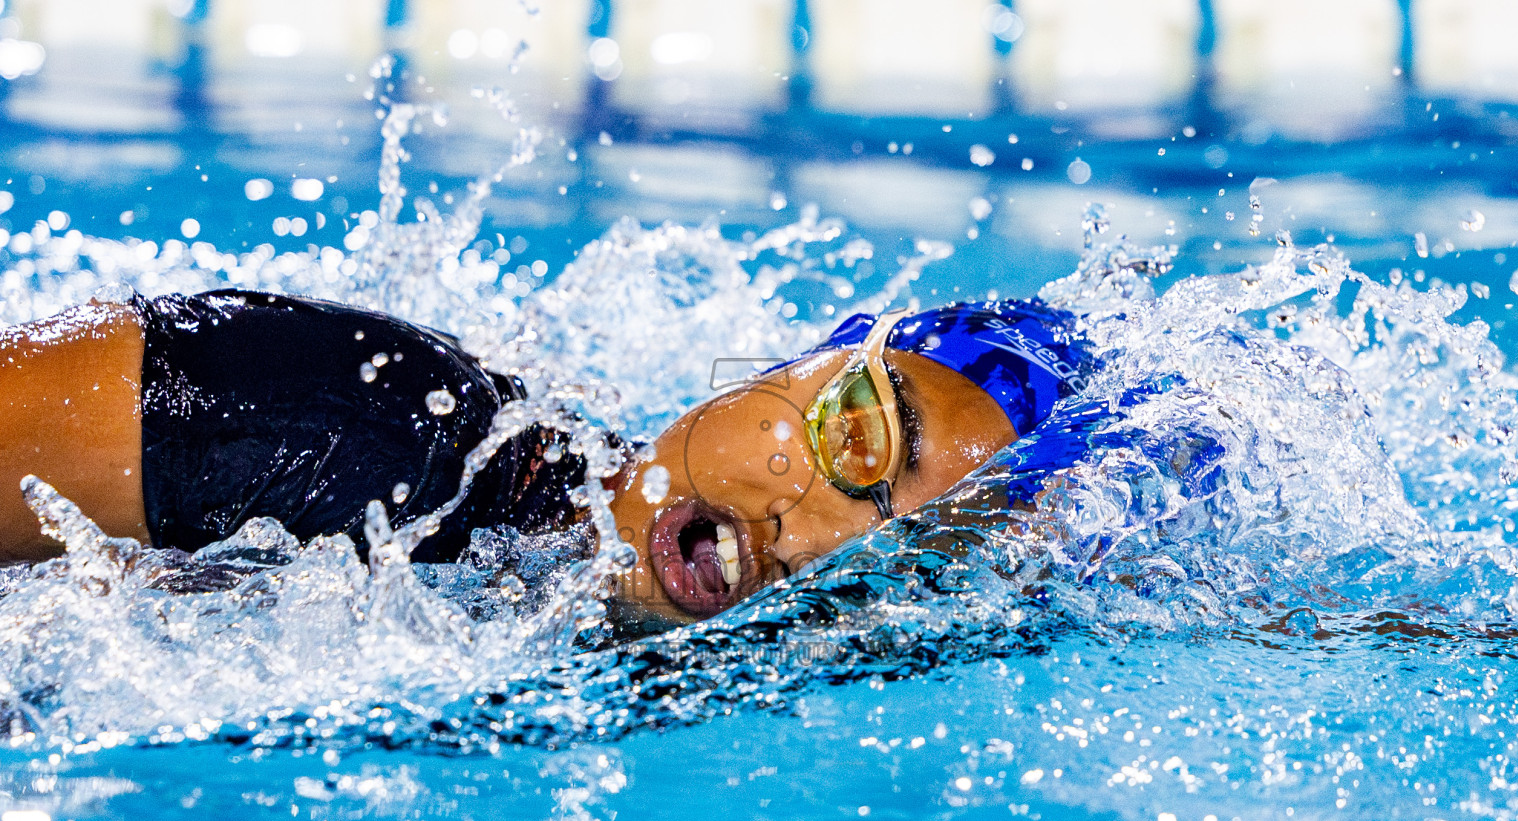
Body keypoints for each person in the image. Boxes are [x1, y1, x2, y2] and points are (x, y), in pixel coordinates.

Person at [0, 289, 1088, 624]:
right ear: (790, 366)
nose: (826, 534)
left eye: (911, 545)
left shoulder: (772, 650)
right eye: (857, 433)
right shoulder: (350, 422)